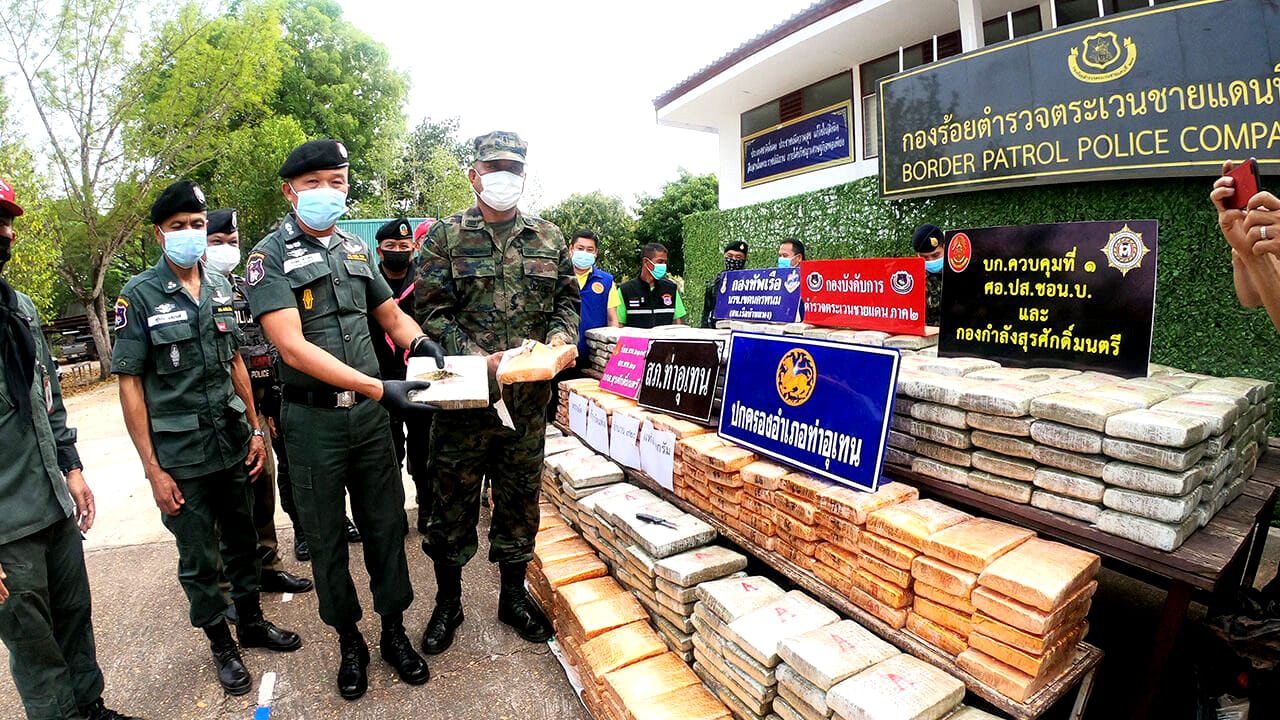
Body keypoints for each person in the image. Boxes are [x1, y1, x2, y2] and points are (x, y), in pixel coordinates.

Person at [246, 139, 440, 700]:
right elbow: (291, 348)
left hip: (369, 424)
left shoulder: (356, 249)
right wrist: (382, 386)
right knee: (328, 540)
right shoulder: (268, 258)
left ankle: (393, 633)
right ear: (290, 191)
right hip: (313, 426)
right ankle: (350, 641)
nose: (327, 192)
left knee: (386, 527)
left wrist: (421, 342)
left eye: (337, 181)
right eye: (315, 184)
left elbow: (390, 313)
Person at [112, 181, 301, 697]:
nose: (192, 235)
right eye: (179, 227)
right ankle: (222, 644)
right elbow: (130, 385)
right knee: (200, 558)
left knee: (244, 543)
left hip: (233, 441)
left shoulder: (221, 288)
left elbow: (236, 361)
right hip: (182, 456)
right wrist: (153, 469)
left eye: (198, 225)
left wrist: (257, 429)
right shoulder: (139, 295)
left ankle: (253, 624)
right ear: (160, 234)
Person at [414, 130, 578, 656]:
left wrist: (560, 339)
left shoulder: (550, 238)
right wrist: (478, 359)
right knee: (451, 507)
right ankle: (448, 603)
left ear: (523, 174)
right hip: (463, 399)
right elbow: (430, 312)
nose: (502, 175)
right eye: (493, 166)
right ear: (474, 174)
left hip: (527, 408)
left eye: (512, 166)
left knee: (518, 503)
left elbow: (566, 304)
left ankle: (512, 596)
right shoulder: (444, 236)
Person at [0, 178, 138, 719]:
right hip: (7, 531)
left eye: (8, 222)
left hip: (52, 506)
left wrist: (72, 467)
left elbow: (48, 400)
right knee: (35, 651)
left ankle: (91, 708)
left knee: (75, 620)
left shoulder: (20, 309)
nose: (6, 233)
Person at [204, 208, 313, 599]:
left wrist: (267, 408)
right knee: (224, 504)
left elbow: (269, 344)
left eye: (231, 242)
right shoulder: (201, 292)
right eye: (217, 243)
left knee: (262, 489)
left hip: (259, 403)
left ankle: (267, 566)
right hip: (218, 410)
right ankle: (228, 584)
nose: (226, 249)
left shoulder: (246, 286)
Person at [370, 218, 434, 534]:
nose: (397, 251)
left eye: (404, 247)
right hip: (381, 378)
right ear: (379, 251)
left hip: (419, 375)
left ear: (412, 250)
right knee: (387, 450)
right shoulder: (367, 282)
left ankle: (426, 505)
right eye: (391, 247)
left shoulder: (424, 282)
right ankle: (395, 511)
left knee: (424, 447)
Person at [570, 229, 621, 358]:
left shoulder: (606, 281)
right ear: (571, 249)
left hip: (594, 356)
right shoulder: (559, 277)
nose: (584, 253)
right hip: (562, 353)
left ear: (596, 253)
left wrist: (611, 353)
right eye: (580, 248)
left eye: (589, 250)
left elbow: (612, 319)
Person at [618, 243, 687, 328]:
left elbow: (678, 324)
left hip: (663, 340)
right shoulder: (626, 290)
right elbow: (619, 326)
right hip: (637, 341)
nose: (663, 266)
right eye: (660, 262)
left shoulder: (671, 289)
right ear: (646, 262)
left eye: (665, 262)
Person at [701, 240, 748, 328]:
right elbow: (706, 312)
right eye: (729, 256)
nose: (733, 260)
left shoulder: (751, 283)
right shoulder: (715, 283)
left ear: (744, 259)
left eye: (738, 257)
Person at [912, 223, 946, 327]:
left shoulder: (963, 271)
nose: (931, 260)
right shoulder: (914, 278)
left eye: (936, 255)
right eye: (924, 257)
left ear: (945, 247)